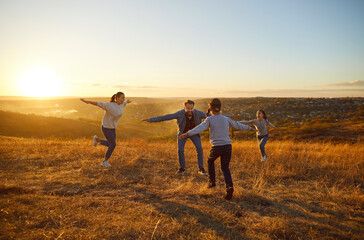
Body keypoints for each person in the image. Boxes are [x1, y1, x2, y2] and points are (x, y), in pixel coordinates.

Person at [179, 98, 256, 200]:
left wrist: (187, 133)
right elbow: (238, 125)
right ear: (220, 108)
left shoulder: (210, 119)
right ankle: (229, 186)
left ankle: (212, 183)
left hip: (217, 147)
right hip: (228, 147)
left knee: (210, 161)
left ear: (210, 109)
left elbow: (199, 128)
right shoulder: (225, 118)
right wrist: (250, 128)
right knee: (225, 168)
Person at [142, 100, 207, 175]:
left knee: (199, 149)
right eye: (188, 108)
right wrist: (151, 120)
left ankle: (201, 168)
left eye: (191, 108)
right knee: (180, 150)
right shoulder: (179, 113)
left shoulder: (198, 113)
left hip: (194, 134)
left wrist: (221, 116)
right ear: (184, 107)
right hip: (182, 134)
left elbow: (211, 116)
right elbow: (166, 117)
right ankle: (182, 168)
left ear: (193, 108)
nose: (190, 110)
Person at [80, 92, 131, 167]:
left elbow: (125, 103)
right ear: (117, 98)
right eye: (122, 98)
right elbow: (99, 103)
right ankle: (104, 162)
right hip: (106, 127)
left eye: (124, 98)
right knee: (113, 144)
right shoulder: (109, 105)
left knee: (110, 144)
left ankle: (97, 140)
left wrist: (127, 101)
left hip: (113, 128)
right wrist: (88, 102)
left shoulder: (122, 104)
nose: (124, 99)